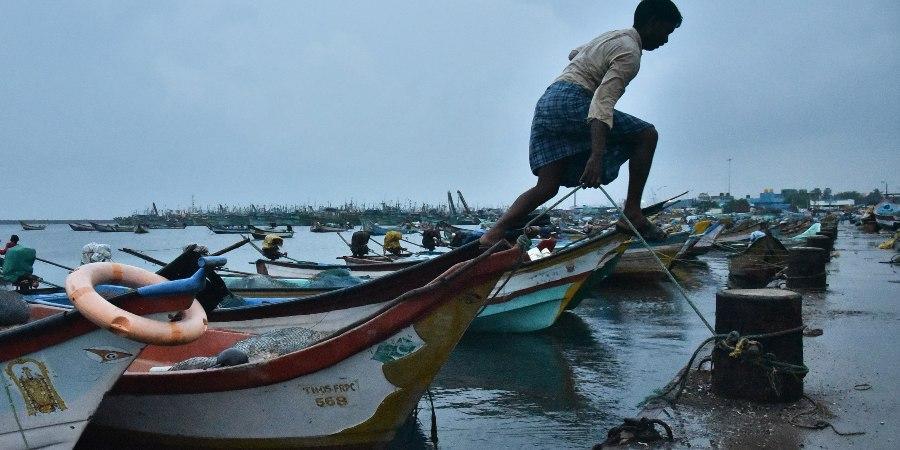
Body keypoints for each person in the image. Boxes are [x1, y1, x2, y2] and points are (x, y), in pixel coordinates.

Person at [480, 0, 682, 247]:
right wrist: (596, 157)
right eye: (667, 32)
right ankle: (632, 212)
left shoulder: (613, 36)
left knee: (547, 187)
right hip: (571, 100)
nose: (666, 40)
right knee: (646, 134)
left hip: (548, 103)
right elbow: (602, 102)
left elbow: (574, 53)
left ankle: (493, 233)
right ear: (653, 24)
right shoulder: (630, 53)